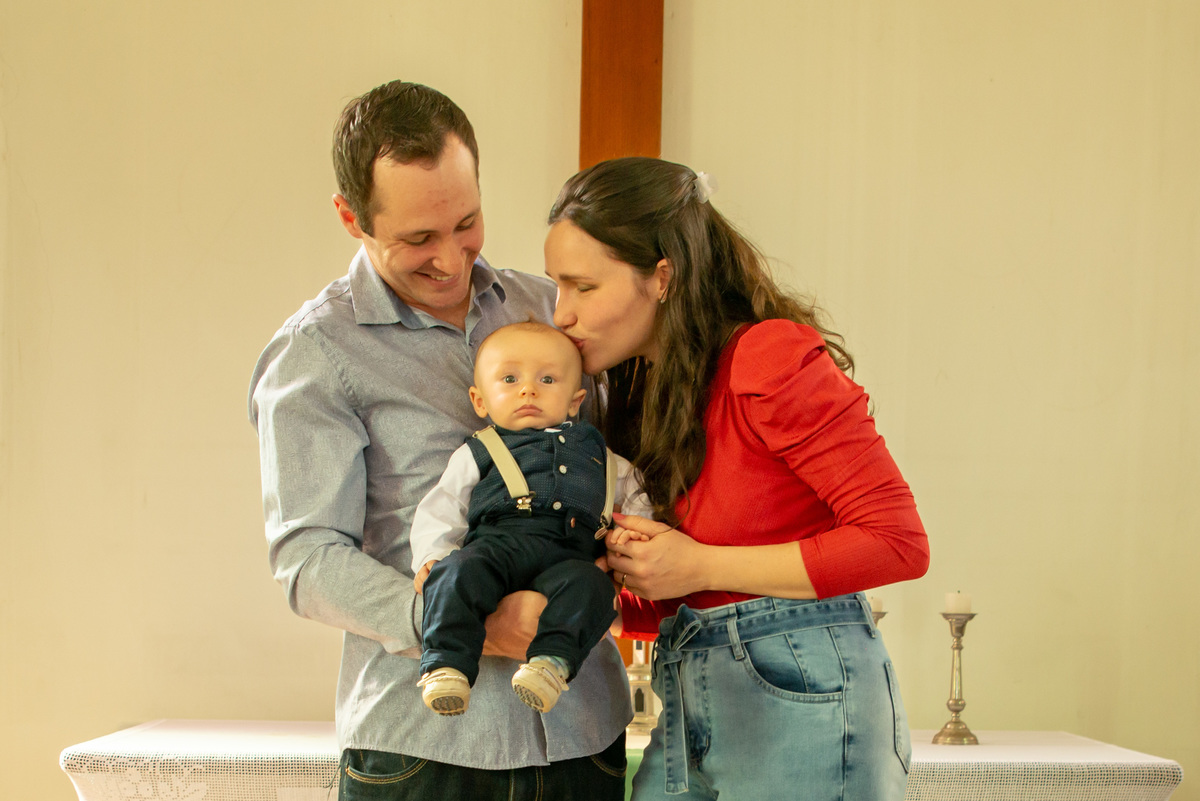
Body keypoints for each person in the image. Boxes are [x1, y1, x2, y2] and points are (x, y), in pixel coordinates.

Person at [248, 81, 631, 801]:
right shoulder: (317, 352)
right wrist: (469, 619)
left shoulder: (549, 310)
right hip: (423, 757)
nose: (451, 260)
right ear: (350, 216)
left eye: (467, 223)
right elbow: (306, 556)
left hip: (584, 735)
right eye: (418, 239)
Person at [543, 156, 931, 800]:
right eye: (558, 287)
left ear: (661, 276)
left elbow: (897, 541)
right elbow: (681, 597)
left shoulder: (766, 355)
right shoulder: (651, 396)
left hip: (803, 694)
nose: (561, 314)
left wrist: (699, 566)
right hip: (696, 690)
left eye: (583, 287)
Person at [411, 321, 652, 717]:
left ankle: (551, 665)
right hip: (498, 546)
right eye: (510, 379)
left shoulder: (599, 455)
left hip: (570, 555)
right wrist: (431, 555)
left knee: (594, 588)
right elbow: (442, 507)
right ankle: (445, 664)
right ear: (480, 401)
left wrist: (632, 535)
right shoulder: (480, 449)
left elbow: (636, 490)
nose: (529, 389)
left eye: (547, 379)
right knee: (455, 573)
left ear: (575, 401)